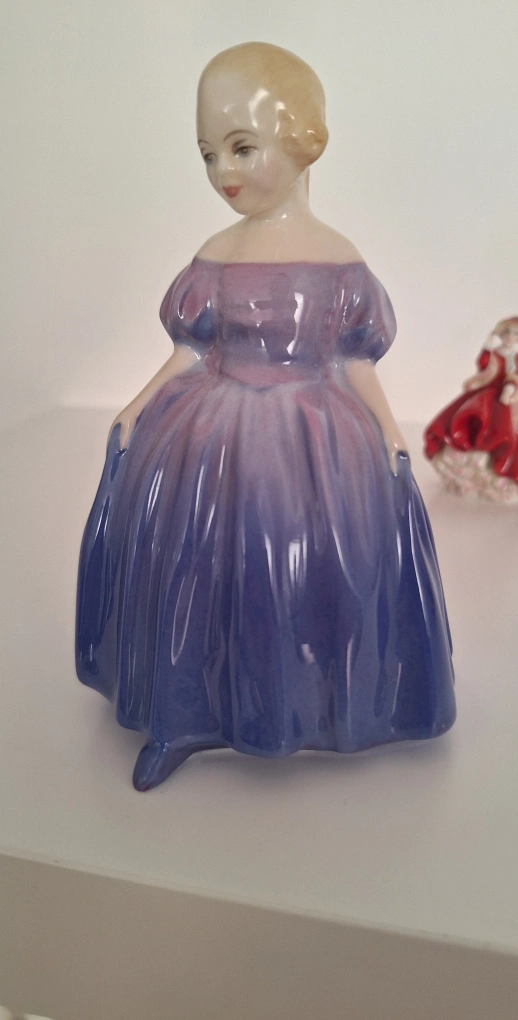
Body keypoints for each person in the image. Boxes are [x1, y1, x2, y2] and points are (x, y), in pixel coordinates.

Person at [76, 42, 455, 791]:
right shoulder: (216, 253)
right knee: (194, 564)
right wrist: (138, 402)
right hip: (209, 430)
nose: (224, 172)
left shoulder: (338, 261)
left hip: (315, 435)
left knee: (300, 563)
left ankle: (313, 702)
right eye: (208, 154)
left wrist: (387, 430)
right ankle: (184, 711)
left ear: (305, 140)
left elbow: (355, 360)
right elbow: (190, 349)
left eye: (242, 147)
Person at [424, 317, 518, 502]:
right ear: (501, 334)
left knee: (515, 426)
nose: (510, 337)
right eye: (507, 332)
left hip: (507, 394)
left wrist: (509, 388)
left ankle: (506, 467)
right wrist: (488, 346)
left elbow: (517, 375)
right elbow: (483, 365)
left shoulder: (516, 358)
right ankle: (466, 454)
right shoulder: (494, 353)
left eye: (515, 334)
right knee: (470, 415)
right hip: (488, 391)